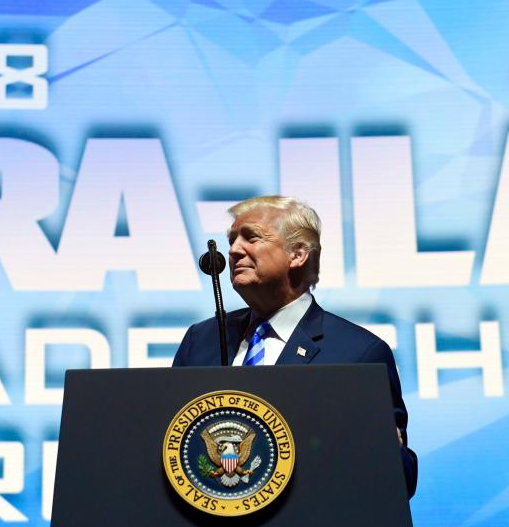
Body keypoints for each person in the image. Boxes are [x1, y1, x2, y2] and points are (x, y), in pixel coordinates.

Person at [172, 195, 417, 498]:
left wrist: (380, 447)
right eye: (232, 240)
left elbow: (401, 480)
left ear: (298, 254)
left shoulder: (359, 354)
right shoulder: (201, 340)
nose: (234, 250)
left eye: (251, 237)